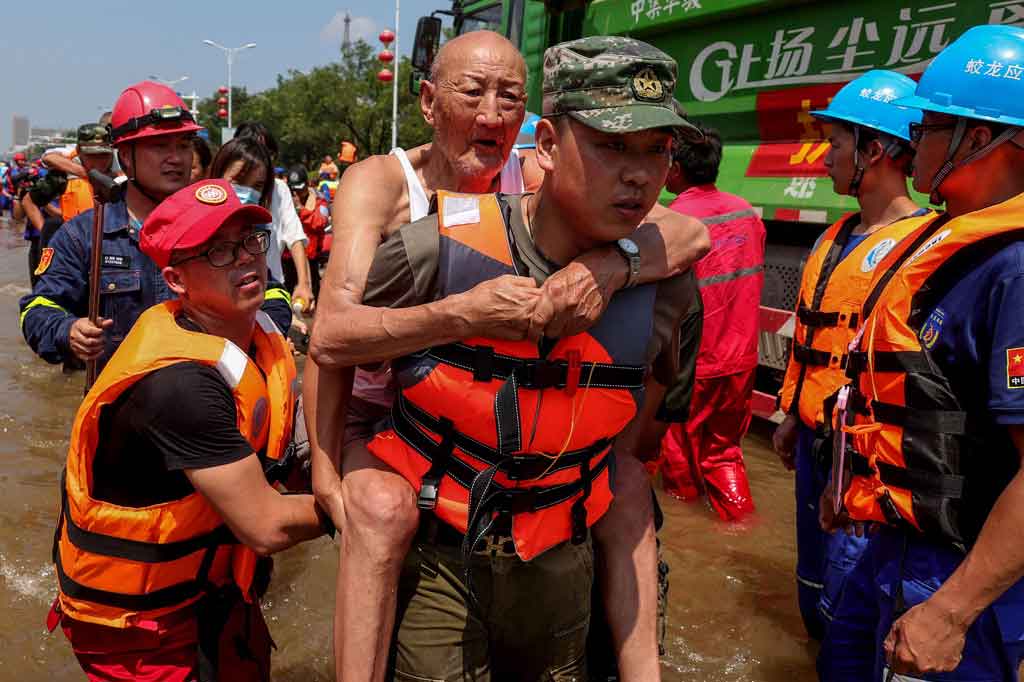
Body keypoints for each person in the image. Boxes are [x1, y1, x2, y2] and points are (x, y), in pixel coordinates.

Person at [305, 29, 710, 682]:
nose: (638, 174)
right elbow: (329, 338)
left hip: (559, 550)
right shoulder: (425, 232)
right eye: (611, 147)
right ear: (547, 145)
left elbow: (642, 430)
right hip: (441, 540)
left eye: (657, 151)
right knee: (379, 508)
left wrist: (619, 264)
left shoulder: (668, 285)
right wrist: (326, 475)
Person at [49, 178, 329, 682]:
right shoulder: (181, 387)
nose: (245, 259)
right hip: (139, 629)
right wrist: (366, 507)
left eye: (249, 242)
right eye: (218, 252)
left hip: (213, 594)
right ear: (176, 282)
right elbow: (265, 526)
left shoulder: (259, 332)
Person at [817, 24, 1024, 680]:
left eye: (929, 126)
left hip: (960, 577)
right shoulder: (948, 244)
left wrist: (954, 612)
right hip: (896, 548)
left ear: (981, 139)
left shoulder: (1015, 267)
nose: (914, 144)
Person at [764, 70, 932, 643]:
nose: (824, 157)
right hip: (814, 446)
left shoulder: (923, 247)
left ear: (875, 150)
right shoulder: (833, 237)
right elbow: (812, 344)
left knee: (848, 609)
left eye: (836, 144)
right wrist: (790, 415)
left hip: (864, 463)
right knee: (810, 592)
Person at [18, 81, 292, 371]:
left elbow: (273, 292)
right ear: (125, 156)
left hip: (214, 399)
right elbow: (37, 309)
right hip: (126, 405)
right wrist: (69, 331)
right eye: (160, 146)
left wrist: (263, 333)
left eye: (184, 145)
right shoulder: (84, 236)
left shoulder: (220, 225)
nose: (176, 158)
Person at [656, 123, 765, 522]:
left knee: (677, 454)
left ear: (677, 169)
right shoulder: (748, 214)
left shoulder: (671, 221)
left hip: (695, 364)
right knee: (724, 453)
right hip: (742, 360)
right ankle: (738, 523)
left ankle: (686, 525)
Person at [234, 121, 315, 313]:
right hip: (231, 288)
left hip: (271, 288)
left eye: (268, 155)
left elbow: (294, 237)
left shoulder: (280, 189)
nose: (263, 161)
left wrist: (304, 284)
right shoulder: (220, 191)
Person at [285, 165, 329, 299]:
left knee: (313, 292)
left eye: (300, 189)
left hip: (310, 256)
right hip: (287, 256)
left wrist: (301, 209)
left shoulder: (318, 200)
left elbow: (319, 222)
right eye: (294, 190)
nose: (297, 194)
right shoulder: (284, 200)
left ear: (308, 185)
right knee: (285, 290)